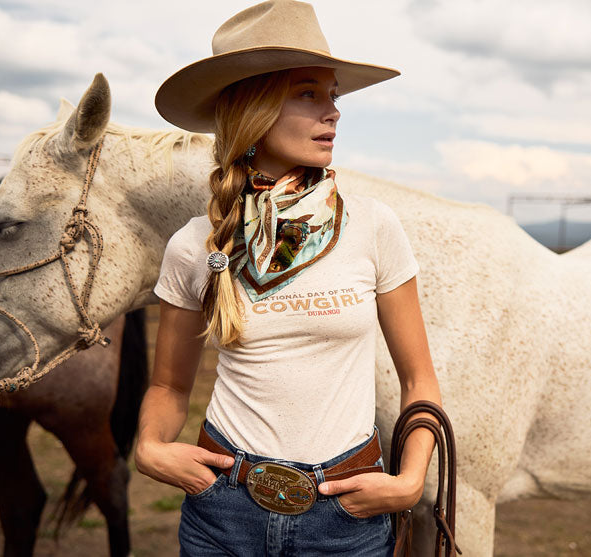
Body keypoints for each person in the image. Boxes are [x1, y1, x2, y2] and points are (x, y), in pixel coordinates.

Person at [133, 1, 443, 554]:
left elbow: (420, 382)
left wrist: (410, 482)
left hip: (346, 516)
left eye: (333, 95)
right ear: (252, 107)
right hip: (222, 510)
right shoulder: (194, 244)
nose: (334, 112)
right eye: (308, 93)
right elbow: (168, 386)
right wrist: (150, 446)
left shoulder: (373, 226)